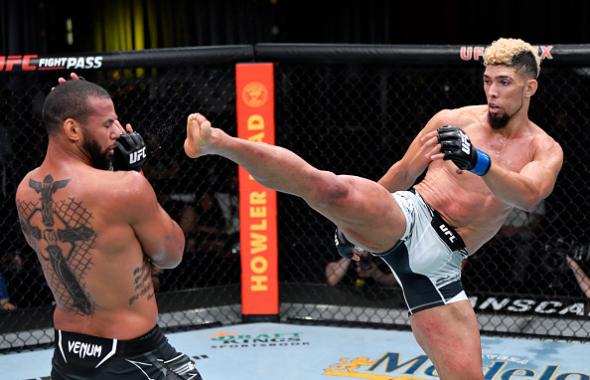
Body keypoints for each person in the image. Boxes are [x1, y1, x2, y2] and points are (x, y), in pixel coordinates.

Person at [182, 38, 563, 379]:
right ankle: (219, 142)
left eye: (504, 82)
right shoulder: (454, 120)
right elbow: (403, 172)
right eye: (487, 80)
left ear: (530, 87)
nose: (492, 92)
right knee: (328, 187)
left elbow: (529, 195)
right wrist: (351, 224)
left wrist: (478, 162)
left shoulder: (542, 148)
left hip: (444, 262)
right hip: (409, 217)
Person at [15, 76, 202, 379]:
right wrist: (136, 175)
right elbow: (171, 255)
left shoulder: (26, 189)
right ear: (73, 129)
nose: (118, 132)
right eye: (107, 124)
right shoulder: (126, 187)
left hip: (67, 355)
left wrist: (72, 97)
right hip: (132, 356)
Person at [325, 247, 396, 288]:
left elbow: (391, 281)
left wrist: (375, 272)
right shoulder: (342, 249)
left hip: (376, 298)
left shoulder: (380, 255)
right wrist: (351, 255)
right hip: (346, 295)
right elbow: (332, 281)